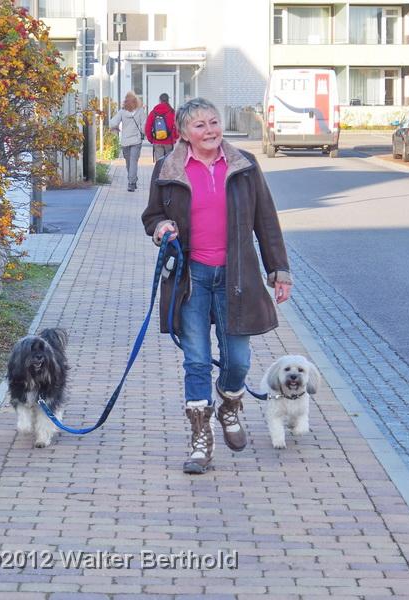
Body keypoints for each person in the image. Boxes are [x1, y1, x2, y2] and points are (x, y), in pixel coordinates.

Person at [141, 97, 293, 474]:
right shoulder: (168, 168)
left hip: (237, 277)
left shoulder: (244, 165)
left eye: (213, 122)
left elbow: (266, 220)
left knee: (237, 360)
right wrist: (161, 228)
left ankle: (229, 405)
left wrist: (279, 270)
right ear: (184, 133)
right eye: (200, 125)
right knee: (196, 361)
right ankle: (200, 439)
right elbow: (152, 215)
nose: (210, 130)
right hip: (191, 279)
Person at [109, 91, 146, 192]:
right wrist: (143, 133)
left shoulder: (122, 112)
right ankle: (132, 181)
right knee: (133, 162)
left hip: (125, 141)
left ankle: (131, 181)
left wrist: (116, 127)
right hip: (136, 141)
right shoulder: (140, 111)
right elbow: (144, 126)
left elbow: (113, 123)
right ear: (136, 101)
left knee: (128, 162)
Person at [145, 93, 179, 162]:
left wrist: (151, 139)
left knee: (159, 164)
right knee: (168, 164)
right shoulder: (172, 112)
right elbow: (177, 127)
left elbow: (147, 128)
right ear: (168, 100)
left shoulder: (153, 112)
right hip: (169, 141)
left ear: (159, 100)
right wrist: (175, 138)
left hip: (157, 141)